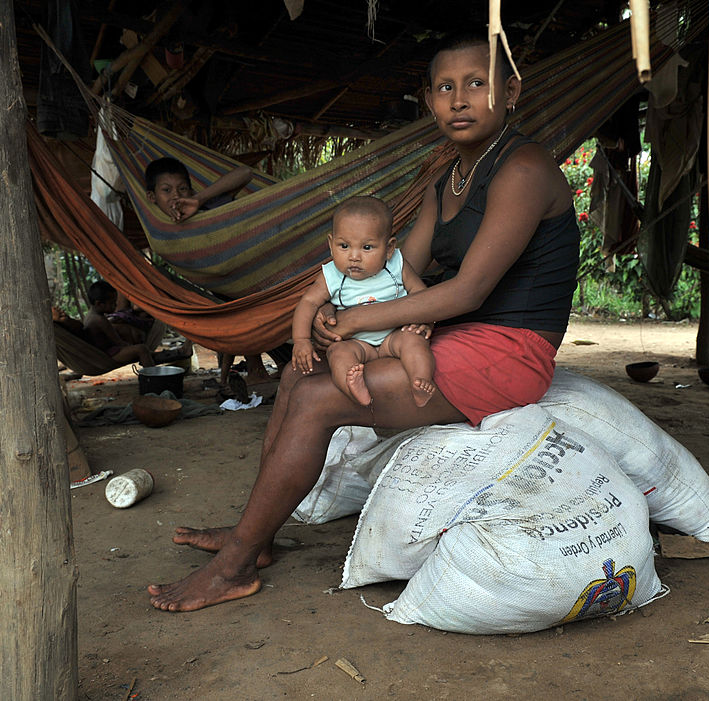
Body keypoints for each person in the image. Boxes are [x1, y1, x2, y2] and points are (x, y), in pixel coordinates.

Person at [147, 30, 579, 612]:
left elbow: (469, 291)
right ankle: (257, 540)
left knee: (318, 399)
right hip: (450, 336)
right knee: (300, 375)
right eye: (445, 88)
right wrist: (331, 314)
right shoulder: (445, 180)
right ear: (427, 99)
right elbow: (400, 273)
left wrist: (356, 321)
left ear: (511, 91)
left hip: (509, 349)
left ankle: (234, 566)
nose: (459, 100)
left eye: (477, 84)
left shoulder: (524, 167)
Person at [145, 156, 280, 385]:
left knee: (246, 316)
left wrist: (198, 200)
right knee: (231, 317)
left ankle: (246, 372)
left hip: (262, 267)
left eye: (182, 189)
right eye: (166, 190)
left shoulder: (207, 208)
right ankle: (238, 374)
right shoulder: (158, 229)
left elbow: (246, 172)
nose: (176, 196)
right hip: (226, 285)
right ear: (151, 198)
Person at [292, 196, 436, 407]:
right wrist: (301, 340)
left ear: (389, 248)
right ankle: (353, 387)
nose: (354, 256)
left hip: (394, 336)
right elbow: (308, 303)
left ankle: (420, 380)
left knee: (414, 342)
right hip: (356, 343)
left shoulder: (397, 264)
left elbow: (420, 294)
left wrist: (426, 322)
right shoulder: (331, 275)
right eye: (344, 246)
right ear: (331, 245)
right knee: (338, 354)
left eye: (367, 248)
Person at [83, 280, 188, 366]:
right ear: (99, 304)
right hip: (109, 355)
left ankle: (158, 356)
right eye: (112, 303)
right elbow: (118, 342)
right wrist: (132, 348)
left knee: (143, 350)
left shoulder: (90, 315)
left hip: (106, 351)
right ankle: (152, 377)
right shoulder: (100, 320)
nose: (115, 306)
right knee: (141, 349)